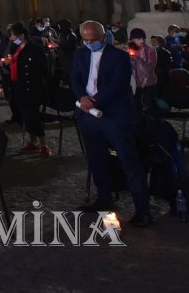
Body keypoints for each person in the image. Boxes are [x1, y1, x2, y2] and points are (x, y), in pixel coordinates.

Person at [72, 20, 152, 226]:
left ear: (103, 37)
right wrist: (82, 97)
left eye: (94, 40)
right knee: (96, 159)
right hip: (89, 116)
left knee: (128, 161)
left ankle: (142, 210)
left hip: (115, 116)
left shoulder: (119, 57)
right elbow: (75, 78)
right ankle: (104, 198)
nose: (90, 43)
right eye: (86, 40)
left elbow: (119, 84)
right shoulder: (80, 55)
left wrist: (94, 101)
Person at [7, 22, 51, 157]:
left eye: (13, 35)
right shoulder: (16, 48)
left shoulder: (34, 49)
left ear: (21, 35)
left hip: (31, 87)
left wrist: (48, 88)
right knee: (25, 115)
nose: (11, 38)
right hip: (19, 86)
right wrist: (7, 63)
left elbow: (44, 70)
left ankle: (43, 144)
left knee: (33, 116)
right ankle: (33, 141)